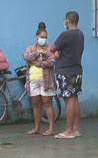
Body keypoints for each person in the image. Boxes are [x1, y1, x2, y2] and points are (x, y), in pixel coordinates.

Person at [51, 11, 84, 139]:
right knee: (75, 99)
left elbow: (51, 49)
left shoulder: (65, 34)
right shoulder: (80, 34)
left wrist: (57, 50)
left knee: (68, 100)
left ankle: (69, 130)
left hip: (65, 71)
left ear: (67, 21)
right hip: (77, 70)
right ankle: (76, 129)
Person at [23, 22, 56, 136]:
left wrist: (38, 63)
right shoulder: (31, 48)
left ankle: (51, 129)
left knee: (47, 104)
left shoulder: (49, 49)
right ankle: (37, 128)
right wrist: (37, 53)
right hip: (33, 80)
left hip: (46, 80)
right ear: (36, 37)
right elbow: (26, 57)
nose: (44, 39)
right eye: (42, 37)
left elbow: (51, 61)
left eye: (46, 37)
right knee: (36, 105)